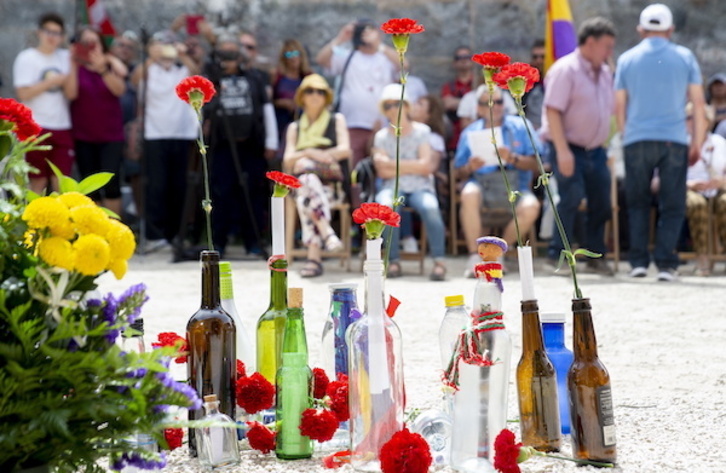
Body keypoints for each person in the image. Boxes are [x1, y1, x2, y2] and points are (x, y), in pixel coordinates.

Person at [615, 3, 707, 281]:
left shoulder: (626, 59)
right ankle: (666, 264)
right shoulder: (685, 56)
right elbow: (699, 103)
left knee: (638, 202)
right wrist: (697, 142)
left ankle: (638, 263)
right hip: (673, 139)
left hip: (637, 139)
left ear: (641, 29)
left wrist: (625, 134)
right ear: (671, 29)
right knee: (672, 203)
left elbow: (619, 104)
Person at [540, 17, 617, 277]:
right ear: (591, 42)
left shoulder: (605, 72)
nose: (609, 52)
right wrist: (562, 150)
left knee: (602, 203)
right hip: (568, 146)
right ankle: (557, 255)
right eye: (606, 46)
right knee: (570, 199)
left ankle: (595, 256)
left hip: (595, 150)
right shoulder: (566, 69)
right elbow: (553, 110)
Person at [454, 86, 541, 277]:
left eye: (499, 102)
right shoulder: (470, 132)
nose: (495, 107)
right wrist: (469, 167)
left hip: (515, 185)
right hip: (482, 184)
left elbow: (538, 164)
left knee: (532, 206)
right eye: (488, 103)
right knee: (468, 193)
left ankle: (498, 254)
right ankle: (474, 257)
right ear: (479, 107)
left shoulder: (520, 126)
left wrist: (513, 159)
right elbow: (458, 172)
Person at [131, 29, 200, 253]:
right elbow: (134, 80)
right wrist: (152, 56)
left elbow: (198, 78)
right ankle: (154, 234)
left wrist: (183, 55)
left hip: (181, 133)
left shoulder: (181, 70)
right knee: (156, 185)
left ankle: (175, 234)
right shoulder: (149, 70)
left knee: (178, 186)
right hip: (155, 134)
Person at [373, 84, 448, 281]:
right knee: (387, 207)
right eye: (388, 106)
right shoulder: (381, 136)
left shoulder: (422, 131)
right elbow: (381, 171)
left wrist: (392, 163)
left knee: (430, 207)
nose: (393, 109)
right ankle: (393, 260)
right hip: (392, 186)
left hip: (420, 185)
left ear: (406, 106)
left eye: (396, 103)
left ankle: (439, 261)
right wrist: (411, 165)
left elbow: (426, 166)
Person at [206, 34, 271, 257]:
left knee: (252, 193)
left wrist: (270, 141)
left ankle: (253, 242)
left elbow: (266, 108)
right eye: (224, 53)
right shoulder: (212, 79)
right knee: (221, 193)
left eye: (233, 53)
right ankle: (219, 243)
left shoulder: (254, 78)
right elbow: (202, 110)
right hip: (222, 145)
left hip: (250, 145)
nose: (229, 59)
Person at [283, 74, 351, 277]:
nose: (315, 95)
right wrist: (309, 153)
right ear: (302, 96)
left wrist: (312, 158)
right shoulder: (294, 127)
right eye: (310, 91)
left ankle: (314, 259)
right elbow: (288, 159)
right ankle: (327, 233)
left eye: (320, 91)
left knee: (306, 190)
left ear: (326, 97)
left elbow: (345, 150)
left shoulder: (336, 120)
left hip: (332, 187)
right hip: (306, 188)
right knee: (306, 182)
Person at [315, 19, 400, 166]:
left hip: (383, 125)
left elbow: (404, 65)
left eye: (370, 31)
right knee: (353, 168)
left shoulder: (386, 58)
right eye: (362, 31)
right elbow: (321, 60)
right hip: (352, 123)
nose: (365, 35)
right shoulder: (347, 56)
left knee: (383, 166)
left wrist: (378, 45)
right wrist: (341, 39)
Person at [68, 26, 128, 216]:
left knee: (111, 183)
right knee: (89, 184)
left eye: (94, 42)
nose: (90, 47)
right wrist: (73, 61)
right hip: (83, 134)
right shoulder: (75, 68)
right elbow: (71, 93)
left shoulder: (110, 66)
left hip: (110, 135)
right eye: (85, 42)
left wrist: (102, 69)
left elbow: (120, 90)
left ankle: (114, 229)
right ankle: (94, 229)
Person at [12, 12, 75, 194]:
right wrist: (52, 81)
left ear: (62, 36)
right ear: (39, 32)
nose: (51, 37)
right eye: (48, 31)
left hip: (62, 125)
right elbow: (23, 92)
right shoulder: (27, 57)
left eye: (56, 33)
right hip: (35, 126)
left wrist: (73, 65)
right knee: (37, 182)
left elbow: (72, 93)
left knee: (62, 184)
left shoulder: (65, 57)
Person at [684, 105, 726, 276]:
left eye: (697, 118)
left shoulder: (719, 142)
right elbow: (665, 178)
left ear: (707, 122)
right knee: (697, 204)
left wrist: (721, 182)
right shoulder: (680, 143)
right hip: (688, 189)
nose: (692, 122)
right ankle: (702, 259)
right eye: (689, 118)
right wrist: (690, 184)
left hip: (718, 189)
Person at [272, 38, 312, 155]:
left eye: (296, 53)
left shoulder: (308, 76)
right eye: (289, 54)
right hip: (281, 121)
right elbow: (269, 101)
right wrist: (282, 102)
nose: (293, 57)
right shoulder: (277, 76)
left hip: (304, 120)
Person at [440, 46, 474, 151]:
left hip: (477, 136)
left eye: (467, 57)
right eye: (459, 57)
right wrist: (474, 104)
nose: (464, 60)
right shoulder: (449, 86)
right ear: (454, 63)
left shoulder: (480, 83)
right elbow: (447, 103)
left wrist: (458, 103)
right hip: (455, 140)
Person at [522, 39, 545, 130]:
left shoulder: (558, 82)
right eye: (535, 57)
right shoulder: (526, 83)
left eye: (543, 57)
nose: (539, 61)